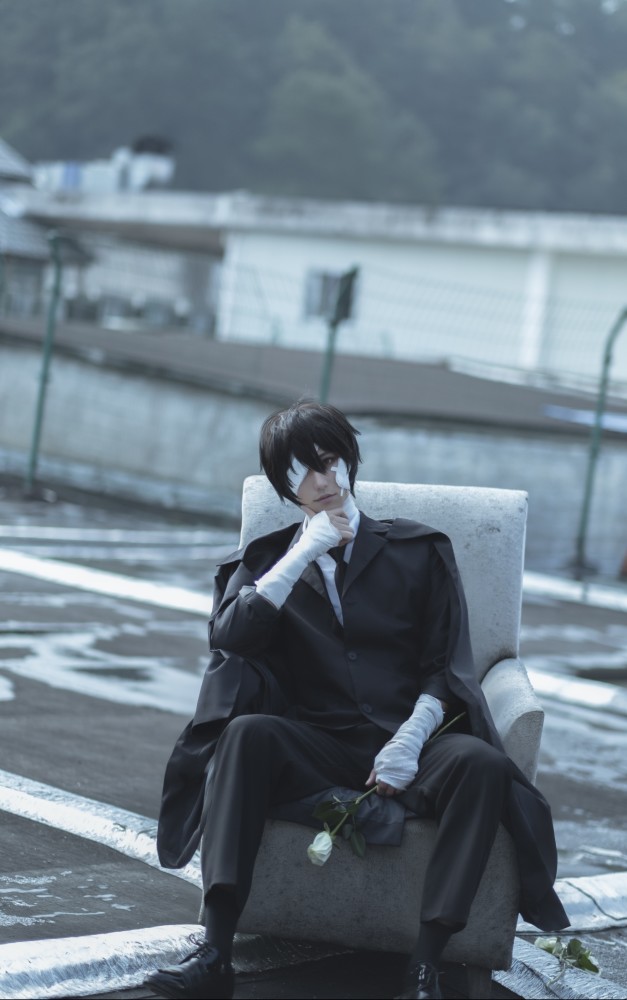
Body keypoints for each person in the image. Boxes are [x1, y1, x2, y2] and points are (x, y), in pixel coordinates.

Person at [147, 400, 568, 1000]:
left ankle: (424, 967)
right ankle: (215, 953)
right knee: (245, 735)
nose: (321, 481)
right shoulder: (270, 562)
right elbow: (229, 637)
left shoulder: (418, 550)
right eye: (301, 473)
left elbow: (445, 665)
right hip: (317, 745)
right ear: (284, 488)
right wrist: (302, 553)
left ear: (349, 461)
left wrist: (411, 739)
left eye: (328, 462)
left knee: (481, 764)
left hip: (414, 745)